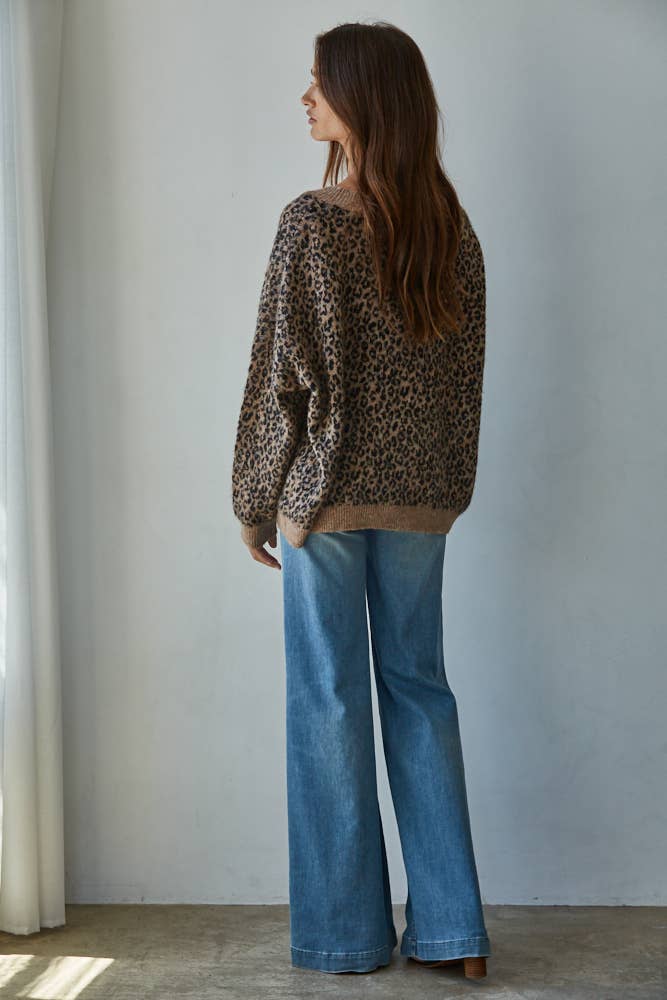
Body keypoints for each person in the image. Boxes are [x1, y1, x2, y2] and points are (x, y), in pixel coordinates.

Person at [231, 20, 491, 979]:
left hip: (326, 497)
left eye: (320, 84)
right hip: (421, 498)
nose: (305, 98)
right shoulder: (450, 228)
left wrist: (253, 499)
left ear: (362, 100)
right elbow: (463, 379)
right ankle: (455, 934)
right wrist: (444, 488)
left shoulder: (312, 221)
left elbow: (279, 378)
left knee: (328, 701)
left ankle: (346, 937)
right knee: (419, 693)